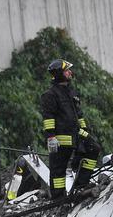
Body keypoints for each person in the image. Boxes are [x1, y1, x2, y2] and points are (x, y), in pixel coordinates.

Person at [41, 59, 100, 199]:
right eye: (67, 70)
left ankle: (81, 185)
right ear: (59, 74)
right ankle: (58, 198)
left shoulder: (70, 91)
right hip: (60, 138)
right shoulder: (50, 95)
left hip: (77, 133)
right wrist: (51, 137)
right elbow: (48, 118)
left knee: (94, 148)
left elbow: (78, 114)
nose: (70, 72)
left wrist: (85, 130)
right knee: (58, 170)